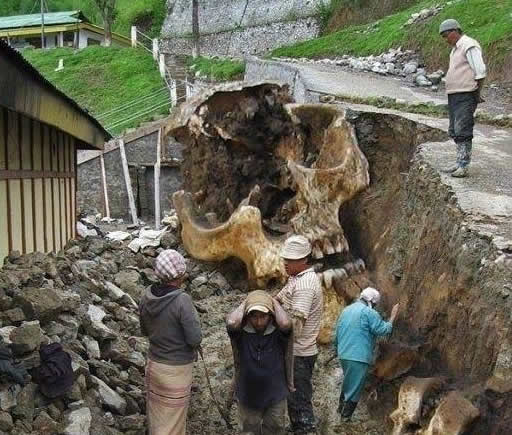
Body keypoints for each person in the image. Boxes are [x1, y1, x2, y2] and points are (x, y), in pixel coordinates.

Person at [138, 249, 202, 435]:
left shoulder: (146, 296)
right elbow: (194, 338)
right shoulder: (182, 300)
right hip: (176, 371)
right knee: (173, 424)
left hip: (154, 366)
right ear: (180, 274)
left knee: (157, 419)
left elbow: (144, 330)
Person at [226, 290, 294, 435]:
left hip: (275, 394)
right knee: (249, 431)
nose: (258, 321)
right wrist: (247, 301)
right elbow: (232, 322)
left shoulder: (278, 333)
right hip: (248, 396)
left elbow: (286, 323)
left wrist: (272, 301)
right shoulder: (241, 333)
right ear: (247, 316)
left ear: (271, 316)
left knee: (275, 429)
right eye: (254, 316)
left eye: (263, 316)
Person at [275, 235, 323, 435]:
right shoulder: (296, 279)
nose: (286, 263)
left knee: (299, 398)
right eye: (285, 258)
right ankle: (298, 427)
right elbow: (278, 298)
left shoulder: (304, 286)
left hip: (299, 353)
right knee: (294, 396)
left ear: (304, 260)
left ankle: (305, 429)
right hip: (295, 352)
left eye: (291, 260)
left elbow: (295, 327)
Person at [333, 287, 399, 421]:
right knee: (355, 388)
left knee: (348, 382)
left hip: (344, 354)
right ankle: (345, 419)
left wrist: (337, 349)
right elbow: (383, 330)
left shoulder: (346, 310)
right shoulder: (369, 313)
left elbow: (337, 334)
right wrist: (392, 317)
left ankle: (340, 410)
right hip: (359, 356)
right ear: (372, 302)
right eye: (375, 304)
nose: (375, 306)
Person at [439, 18, 487, 178]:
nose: (445, 40)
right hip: (455, 94)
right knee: (454, 129)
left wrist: (476, 93)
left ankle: (464, 165)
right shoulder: (455, 49)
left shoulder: (469, 45)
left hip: (466, 93)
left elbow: (480, 71)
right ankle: (459, 161)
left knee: (463, 128)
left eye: (446, 36)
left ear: (454, 31)